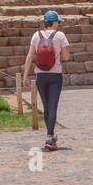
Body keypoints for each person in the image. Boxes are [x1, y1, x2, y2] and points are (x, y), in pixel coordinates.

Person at [24, 9, 71, 152]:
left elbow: (30, 56)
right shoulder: (60, 35)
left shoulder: (36, 35)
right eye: (58, 21)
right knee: (53, 106)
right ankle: (50, 137)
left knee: (46, 107)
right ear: (54, 22)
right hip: (55, 75)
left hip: (40, 76)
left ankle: (50, 135)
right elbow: (66, 57)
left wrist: (25, 76)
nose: (59, 24)